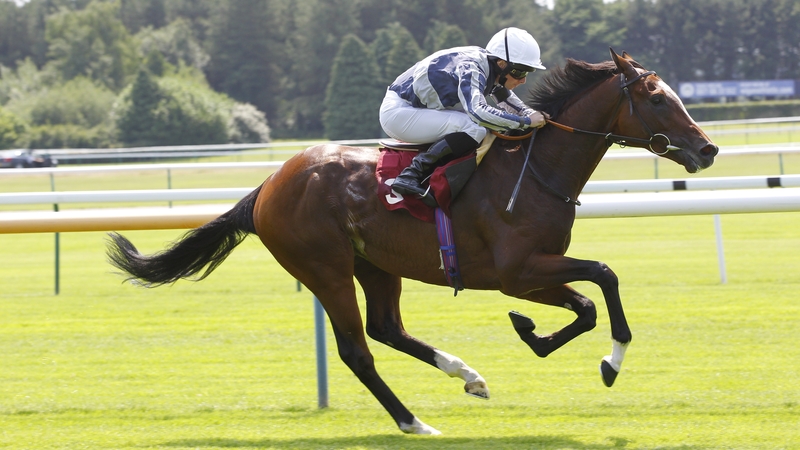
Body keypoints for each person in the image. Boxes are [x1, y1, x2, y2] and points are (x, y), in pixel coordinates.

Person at [379, 27, 550, 206]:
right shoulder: (471, 67)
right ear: (501, 64)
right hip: (399, 113)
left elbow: (506, 99)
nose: (523, 80)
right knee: (475, 127)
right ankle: (412, 174)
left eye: (527, 72)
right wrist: (525, 122)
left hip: (412, 109)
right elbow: (478, 112)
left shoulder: (487, 66)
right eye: (520, 72)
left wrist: (529, 113)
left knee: (478, 126)